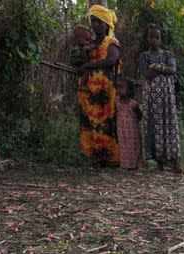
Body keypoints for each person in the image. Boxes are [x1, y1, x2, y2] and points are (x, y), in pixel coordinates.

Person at [76, 5, 121, 167]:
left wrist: (88, 66)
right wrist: (82, 58)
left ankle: (112, 158)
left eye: (100, 22)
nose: (96, 25)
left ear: (106, 24)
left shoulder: (112, 42)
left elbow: (111, 61)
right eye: (93, 21)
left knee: (107, 122)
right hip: (88, 89)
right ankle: (97, 158)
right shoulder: (89, 43)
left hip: (106, 90)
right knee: (91, 122)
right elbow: (81, 61)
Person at [138, 24, 184, 175]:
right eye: (151, 37)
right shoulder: (144, 56)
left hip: (166, 97)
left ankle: (176, 164)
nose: (154, 40)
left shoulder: (168, 55)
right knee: (154, 126)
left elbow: (173, 70)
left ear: (161, 39)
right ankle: (159, 164)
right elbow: (147, 75)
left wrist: (156, 67)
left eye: (157, 37)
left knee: (170, 126)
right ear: (147, 38)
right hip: (150, 96)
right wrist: (162, 69)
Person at [115, 78, 142, 170]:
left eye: (121, 88)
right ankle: (125, 164)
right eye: (117, 87)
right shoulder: (116, 101)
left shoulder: (133, 104)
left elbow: (140, 116)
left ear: (129, 90)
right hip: (121, 129)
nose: (118, 90)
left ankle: (135, 164)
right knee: (123, 146)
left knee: (134, 146)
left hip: (132, 130)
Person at [70, 25, 94, 91]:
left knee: (87, 70)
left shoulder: (88, 44)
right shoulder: (82, 46)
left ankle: (82, 85)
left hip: (89, 65)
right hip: (85, 63)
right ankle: (81, 85)